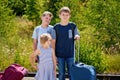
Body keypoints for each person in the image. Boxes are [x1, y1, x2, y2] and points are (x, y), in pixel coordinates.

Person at [52, 7, 80, 80]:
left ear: (69, 16)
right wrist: (54, 55)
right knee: (61, 74)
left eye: (67, 15)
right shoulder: (56, 27)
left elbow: (76, 33)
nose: (65, 16)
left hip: (70, 54)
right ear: (59, 15)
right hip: (59, 55)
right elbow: (53, 42)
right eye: (63, 15)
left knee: (71, 73)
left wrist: (77, 36)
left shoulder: (72, 26)